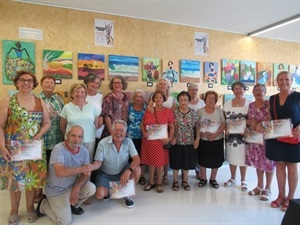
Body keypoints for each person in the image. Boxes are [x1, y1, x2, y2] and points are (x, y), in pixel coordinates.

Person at [0, 70, 51, 225]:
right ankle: (14, 211)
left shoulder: (39, 101)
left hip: (33, 149)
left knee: (31, 180)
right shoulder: (8, 100)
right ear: (16, 82)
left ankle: (30, 208)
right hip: (13, 148)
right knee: (14, 181)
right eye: (22, 80)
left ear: (34, 84)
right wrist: (2, 147)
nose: (26, 83)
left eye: (29, 80)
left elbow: (47, 122)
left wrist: (39, 134)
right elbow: (0, 126)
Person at [35, 125, 96, 225]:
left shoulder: (84, 151)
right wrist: (82, 169)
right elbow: (60, 172)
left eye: (79, 137)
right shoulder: (58, 149)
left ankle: (73, 205)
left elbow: (86, 173)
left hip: (72, 187)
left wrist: (77, 187)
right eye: (73, 136)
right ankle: (43, 205)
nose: (76, 140)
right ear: (67, 136)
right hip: (56, 191)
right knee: (64, 222)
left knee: (91, 188)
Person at [264, 71, 300, 212]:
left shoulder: (298, 97)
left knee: (291, 168)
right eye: (280, 79)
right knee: (279, 166)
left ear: (291, 80)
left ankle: (290, 198)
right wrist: (264, 124)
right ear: (276, 82)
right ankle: (280, 195)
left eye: (287, 79)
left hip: (293, 137)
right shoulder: (272, 99)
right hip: (276, 136)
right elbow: (269, 116)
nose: (284, 82)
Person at [92, 120, 141, 208]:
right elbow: (98, 163)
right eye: (116, 130)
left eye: (122, 130)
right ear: (111, 131)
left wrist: (128, 171)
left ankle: (126, 194)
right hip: (105, 174)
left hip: (122, 171)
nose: (119, 133)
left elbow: (137, 159)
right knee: (100, 195)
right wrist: (89, 167)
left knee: (137, 169)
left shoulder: (129, 141)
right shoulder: (102, 143)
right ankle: (116, 190)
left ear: (125, 132)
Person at [35, 75, 65, 203]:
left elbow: (63, 118)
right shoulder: (35, 100)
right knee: (40, 168)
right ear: (41, 84)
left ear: (54, 85)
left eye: (51, 83)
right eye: (46, 82)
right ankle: (37, 193)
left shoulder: (59, 100)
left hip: (57, 140)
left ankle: (51, 192)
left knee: (53, 168)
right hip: (41, 140)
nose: (49, 84)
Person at [141, 90, 175, 193]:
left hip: (161, 142)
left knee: (160, 163)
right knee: (151, 162)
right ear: (153, 99)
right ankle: (151, 182)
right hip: (149, 140)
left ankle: (159, 182)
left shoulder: (168, 111)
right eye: (156, 97)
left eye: (160, 97)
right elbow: (142, 124)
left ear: (164, 99)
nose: (158, 99)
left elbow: (172, 126)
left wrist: (169, 138)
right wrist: (144, 133)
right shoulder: (149, 110)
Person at [246, 84, 275, 201]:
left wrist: (260, 123)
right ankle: (259, 186)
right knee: (258, 163)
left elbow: (273, 119)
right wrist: (250, 122)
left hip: (267, 139)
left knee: (268, 163)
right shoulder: (251, 105)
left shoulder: (269, 104)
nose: (258, 92)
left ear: (265, 91)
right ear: (252, 93)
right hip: (255, 140)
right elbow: (248, 120)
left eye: (260, 90)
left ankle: (268, 188)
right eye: (256, 90)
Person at [60, 83, 100, 163]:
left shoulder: (92, 106)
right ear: (72, 93)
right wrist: (69, 137)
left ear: (85, 94)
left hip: (89, 140)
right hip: (72, 141)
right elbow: (62, 126)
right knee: (72, 163)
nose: (80, 94)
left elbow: (95, 124)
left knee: (87, 164)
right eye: (77, 92)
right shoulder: (67, 107)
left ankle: (87, 176)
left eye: (82, 92)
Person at [148, 78, 177, 185]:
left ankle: (164, 175)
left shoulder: (172, 99)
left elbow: (173, 116)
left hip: (167, 129)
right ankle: (155, 177)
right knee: (156, 154)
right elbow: (150, 109)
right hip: (155, 130)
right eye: (160, 84)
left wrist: (172, 135)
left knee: (165, 154)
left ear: (168, 86)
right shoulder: (153, 96)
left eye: (165, 84)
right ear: (157, 86)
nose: (163, 85)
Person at [223, 81, 251, 191]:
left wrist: (247, 129)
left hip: (244, 136)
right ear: (233, 90)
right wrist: (225, 128)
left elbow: (252, 119)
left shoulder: (249, 103)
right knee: (232, 157)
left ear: (244, 90)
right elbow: (224, 120)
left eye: (240, 88)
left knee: (243, 157)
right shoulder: (227, 103)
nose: (238, 90)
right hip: (230, 136)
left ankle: (244, 180)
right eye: (236, 88)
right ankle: (232, 178)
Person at [169, 91, 199, 191]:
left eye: (185, 100)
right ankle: (175, 181)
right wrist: (171, 137)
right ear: (178, 101)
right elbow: (169, 126)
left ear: (189, 101)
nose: (183, 102)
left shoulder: (193, 113)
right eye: (181, 100)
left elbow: (197, 127)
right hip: (176, 141)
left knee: (187, 162)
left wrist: (197, 138)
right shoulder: (173, 113)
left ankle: (185, 180)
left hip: (189, 141)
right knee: (176, 162)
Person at [197, 91, 225, 188]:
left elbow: (224, 125)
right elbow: (197, 125)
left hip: (217, 139)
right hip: (203, 139)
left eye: (213, 98)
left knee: (216, 159)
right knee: (203, 159)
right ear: (205, 99)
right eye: (209, 97)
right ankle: (203, 178)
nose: (211, 100)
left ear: (216, 100)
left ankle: (213, 179)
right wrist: (201, 133)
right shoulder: (200, 111)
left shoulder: (219, 111)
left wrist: (215, 134)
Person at [127, 89, 147, 185]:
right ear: (133, 97)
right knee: (130, 157)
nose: (138, 98)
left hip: (142, 136)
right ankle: (130, 176)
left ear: (143, 99)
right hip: (129, 137)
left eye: (141, 97)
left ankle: (142, 176)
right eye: (136, 96)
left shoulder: (146, 108)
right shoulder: (128, 107)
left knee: (142, 157)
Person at [187, 83, 205, 179]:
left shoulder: (202, 102)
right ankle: (184, 170)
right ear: (188, 90)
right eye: (191, 89)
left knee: (198, 151)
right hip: (186, 130)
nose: (194, 91)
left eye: (195, 90)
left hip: (199, 129)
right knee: (186, 150)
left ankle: (198, 171)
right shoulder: (185, 101)